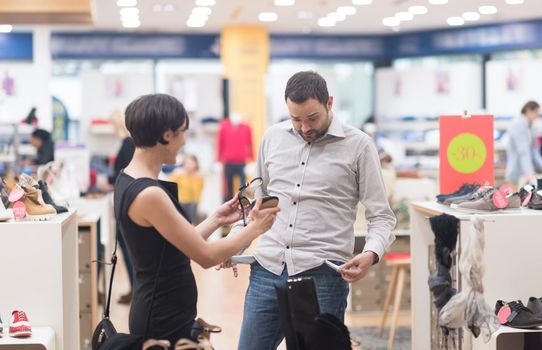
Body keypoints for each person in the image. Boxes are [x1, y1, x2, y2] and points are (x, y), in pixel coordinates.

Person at [229, 71, 396, 350]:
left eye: (312, 118)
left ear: (329, 102)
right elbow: (257, 204)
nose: (304, 127)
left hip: (323, 275)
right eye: (296, 119)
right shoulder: (272, 137)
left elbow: (381, 216)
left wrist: (371, 253)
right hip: (267, 269)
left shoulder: (359, 146)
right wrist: (232, 242)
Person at [114, 93, 279, 345]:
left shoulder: (129, 179)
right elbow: (206, 256)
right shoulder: (150, 194)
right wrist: (256, 228)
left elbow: (175, 246)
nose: (184, 142)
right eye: (183, 133)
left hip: (163, 309)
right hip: (162, 316)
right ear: (167, 136)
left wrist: (216, 219)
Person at [107, 109, 136, 304]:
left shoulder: (127, 144)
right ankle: (135, 288)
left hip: (127, 200)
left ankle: (136, 288)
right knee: (128, 247)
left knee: (128, 247)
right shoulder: (131, 144)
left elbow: (123, 172)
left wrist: (109, 180)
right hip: (128, 199)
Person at [217, 113, 253, 202]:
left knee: (243, 184)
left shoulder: (246, 127)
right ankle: (228, 202)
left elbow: (250, 143)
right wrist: (218, 159)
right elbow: (220, 143)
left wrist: (251, 158)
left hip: (241, 161)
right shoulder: (224, 127)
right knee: (228, 185)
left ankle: (243, 201)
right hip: (228, 161)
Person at [505, 100, 542, 186]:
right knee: (515, 196)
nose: (537, 115)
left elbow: (533, 150)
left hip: (525, 171)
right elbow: (523, 151)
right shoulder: (518, 125)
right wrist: (529, 173)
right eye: (536, 111)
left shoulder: (530, 126)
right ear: (528, 110)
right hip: (517, 171)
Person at [169, 154, 204, 224]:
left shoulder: (199, 177)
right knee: (183, 205)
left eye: (191, 163)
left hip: (191, 203)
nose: (189, 165)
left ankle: (191, 224)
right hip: (179, 202)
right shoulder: (177, 174)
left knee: (193, 204)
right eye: (187, 163)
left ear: (196, 164)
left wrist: (193, 177)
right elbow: (171, 189)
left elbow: (197, 195)